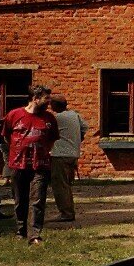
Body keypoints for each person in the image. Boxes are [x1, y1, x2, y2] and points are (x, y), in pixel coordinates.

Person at [0, 85, 58, 244]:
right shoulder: (14, 115)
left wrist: (44, 151)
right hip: (18, 164)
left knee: (37, 199)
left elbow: (53, 138)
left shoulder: (49, 119)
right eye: (46, 99)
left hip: (41, 165)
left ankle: (35, 235)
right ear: (35, 98)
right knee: (20, 200)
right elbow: (6, 137)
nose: (49, 102)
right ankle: (21, 231)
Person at [48, 93, 87, 222]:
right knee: (67, 184)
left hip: (60, 154)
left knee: (60, 184)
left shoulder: (57, 118)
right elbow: (84, 127)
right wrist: (77, 139)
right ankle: (68, 211)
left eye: (51, 104)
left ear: (55, 105)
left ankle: (65, 213)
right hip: (73, 154)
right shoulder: (74, 115)